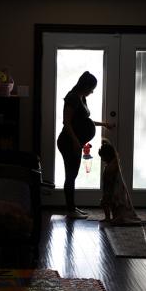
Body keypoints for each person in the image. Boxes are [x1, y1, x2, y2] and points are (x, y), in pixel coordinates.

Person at [57, 71, 112, 219]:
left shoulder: (81, 98)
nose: (92, 91)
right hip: (68, 142)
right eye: (91, 88)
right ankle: (70, 210)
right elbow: (67, 123)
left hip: (76, 142)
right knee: (70, 175)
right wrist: (76, 142)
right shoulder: (72, 98)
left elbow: (84, 121)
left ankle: (72, 207)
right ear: (85, 85)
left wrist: (103, 124)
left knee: (72, 174)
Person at [98, 139, 142, 225]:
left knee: (113, 204)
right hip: (112, 189)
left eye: (103, 157)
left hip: (114, 190)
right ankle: (109, 217)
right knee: (106, 203)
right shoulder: (113, 163)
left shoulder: (113, 165)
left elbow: (110, 181)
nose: (102, 159)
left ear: (108, 156)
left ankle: (114, 217)